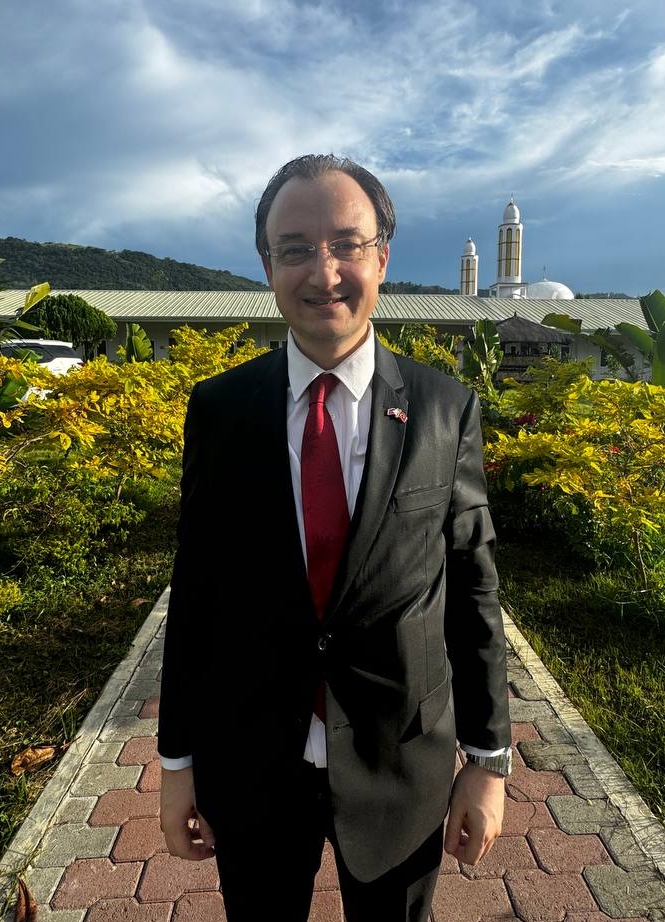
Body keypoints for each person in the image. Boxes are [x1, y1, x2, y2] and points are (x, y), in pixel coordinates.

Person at [157, 153, 512, 922]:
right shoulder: (219, 410)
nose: (323, 273)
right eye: (294, 249)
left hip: (401, 762)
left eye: (346, 244)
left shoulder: (444, 408)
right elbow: (198, 593)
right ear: (267, 267)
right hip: (251, 760)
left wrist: (488, 761)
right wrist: (176, 763)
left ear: (381, 257)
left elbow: (471, 589)